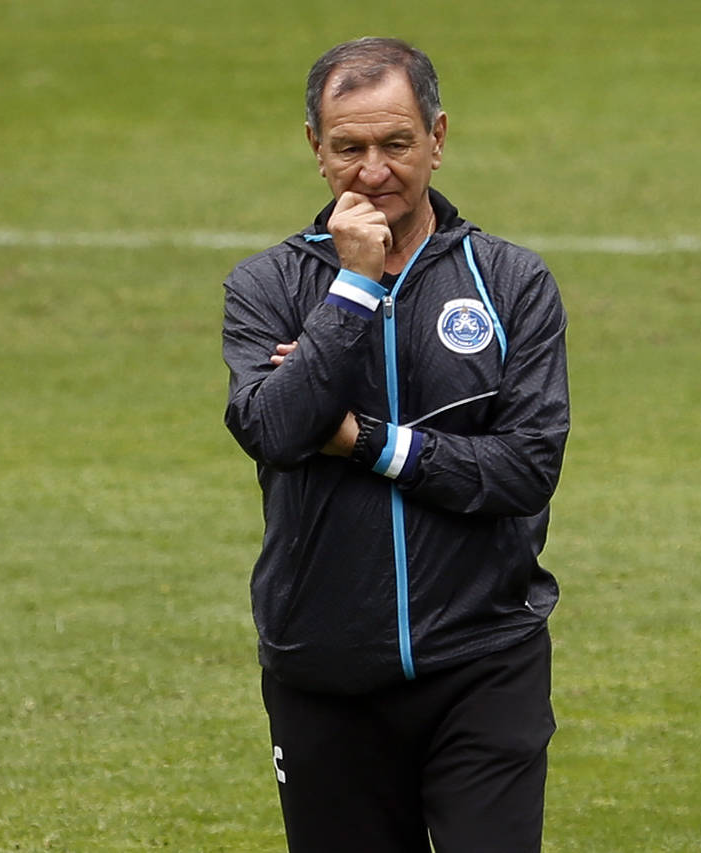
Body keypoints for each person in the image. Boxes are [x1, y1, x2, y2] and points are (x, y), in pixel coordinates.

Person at [221, 36, 570, 853]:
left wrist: (364, 440)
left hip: (483, 660)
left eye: (396, 144)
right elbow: (273, 429)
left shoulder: (510, 284)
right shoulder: (267, 288)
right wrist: (352, 287)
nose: (373, 169)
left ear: (438, 140)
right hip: (324, 669)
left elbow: (525, 467)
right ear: (316, 148)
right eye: (349, 148)